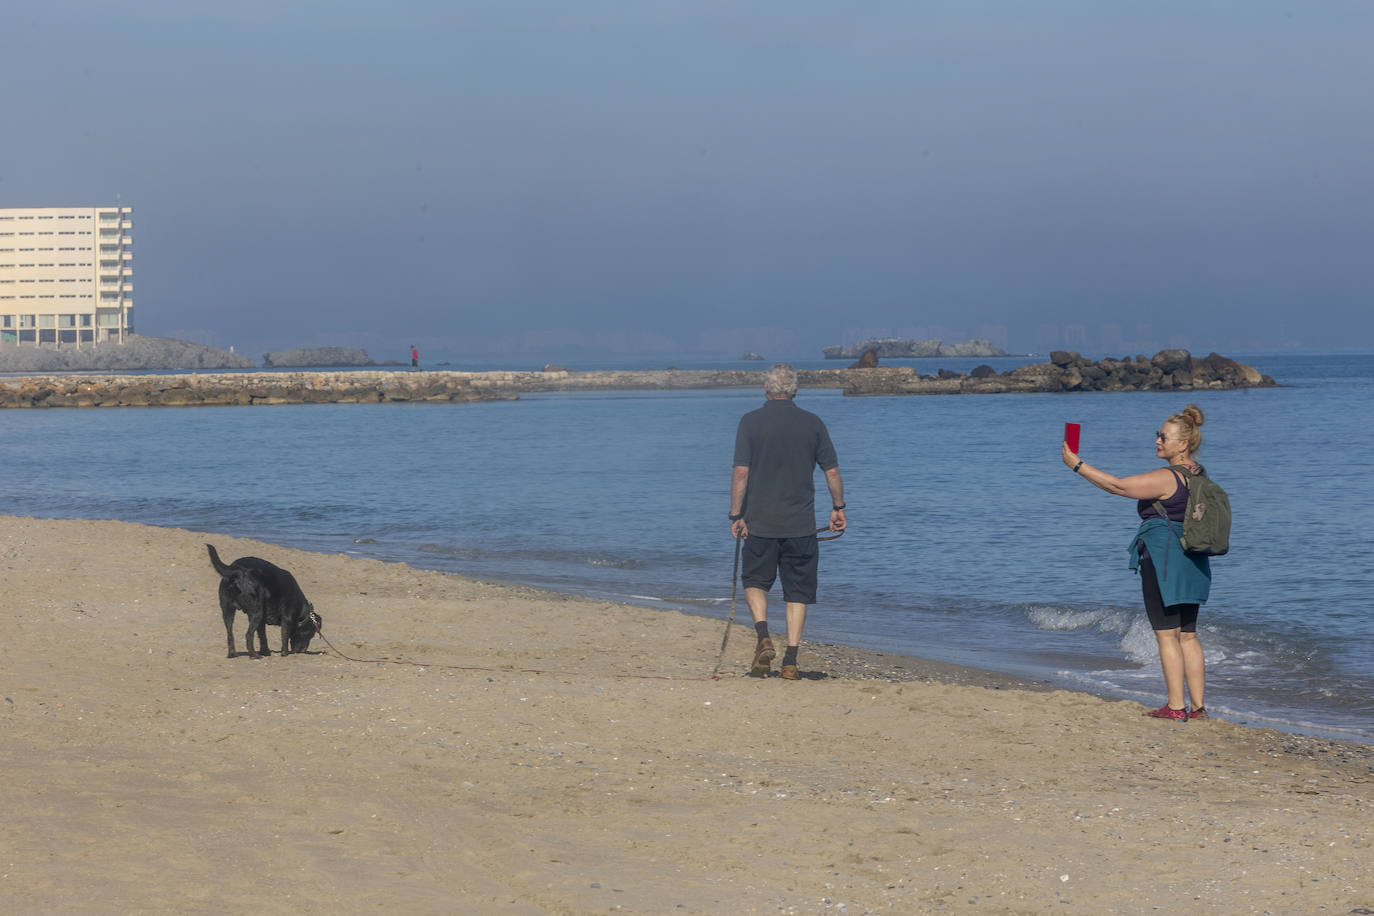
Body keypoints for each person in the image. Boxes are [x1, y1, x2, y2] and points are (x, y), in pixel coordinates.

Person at [1062, 404, 1213, 721]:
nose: (1157, 441)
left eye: (1164, 437)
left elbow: (1118, 486)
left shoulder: (1167, 477)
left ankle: (1175, 707)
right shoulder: (1199, 474)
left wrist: (1077, 465)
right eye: (1158, 435)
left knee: (1166, 634)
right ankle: (1198, 708)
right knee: (1188, 635)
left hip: (1164, 559)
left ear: (1182, 444)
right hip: (1194, 560)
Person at [729, 363, 846, 679]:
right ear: (794, 391)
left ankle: (764, 635)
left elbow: (741, 472)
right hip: (801, 525)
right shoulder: (813, 423)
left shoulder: (750, 422)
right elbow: (831, 472)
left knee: (755, 581)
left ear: (766, 390)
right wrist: (838, 507)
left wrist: (735, 514)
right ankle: (791, 660)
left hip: (760, 523)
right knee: (798, 591)